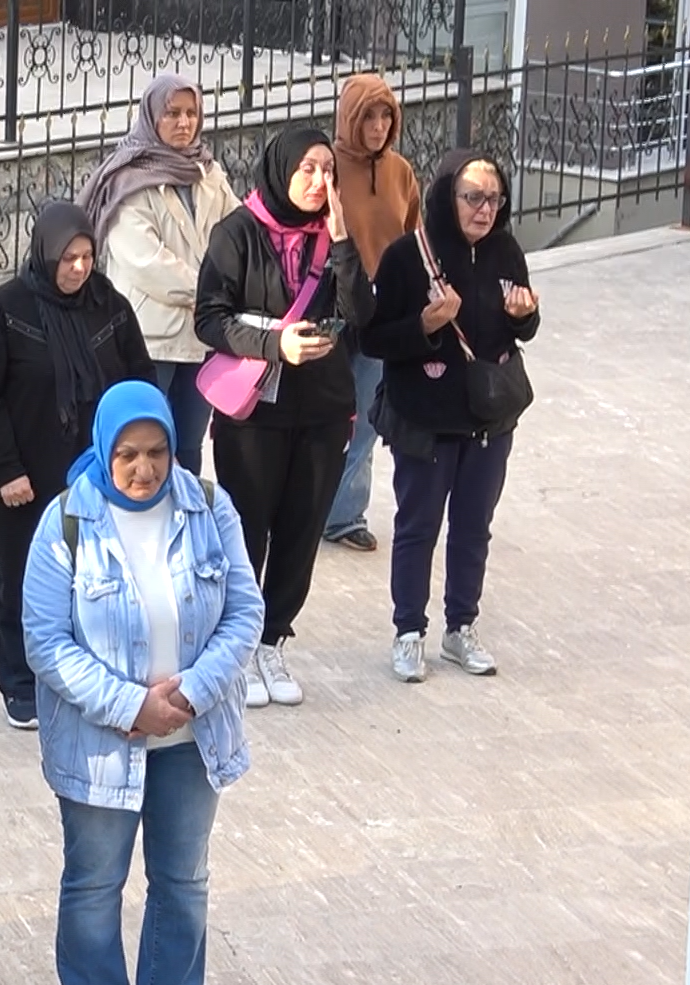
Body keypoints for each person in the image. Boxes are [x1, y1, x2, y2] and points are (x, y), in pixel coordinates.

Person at [19, 382, 261, 985]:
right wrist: (130, 706)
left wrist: (188, 693)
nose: (145, 469)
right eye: (127, 455)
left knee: (183, 879)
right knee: (94, 883)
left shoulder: (209, 508)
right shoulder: (67, 521)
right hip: (102, 743)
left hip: (192, 737)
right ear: (103, 450)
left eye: (157, 452)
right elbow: (45, 640)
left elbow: (245, 612)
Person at [194, 127, 371, 709]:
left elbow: (361, 316)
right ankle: (239, 645)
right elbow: (210, 320)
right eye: (308, 170)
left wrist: (343, 241)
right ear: (282, 170)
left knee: (300, 533)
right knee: (247, 531)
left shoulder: (334, 237)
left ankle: (273, 638)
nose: (321, 183)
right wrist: (275, 345)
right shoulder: (238, 233)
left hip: (321, 412)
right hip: (255, 414)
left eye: (328, 171)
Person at [0, 202, 153, 728]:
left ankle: (83, 674)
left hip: (96, 475)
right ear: (46, 254)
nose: (78, 268)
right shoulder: (8, 309)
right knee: (24, 576)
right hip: (26, 477)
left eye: (87, 256)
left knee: (93, 576)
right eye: (67, 257)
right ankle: (20, 682)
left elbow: (138, 381)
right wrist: (5, 468)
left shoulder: (108, 305)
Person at [364, 149, 538, 682]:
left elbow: (521, 328)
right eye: (473, 197)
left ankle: (461, 628)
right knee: (417, 527)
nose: (485, 209)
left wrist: (526, 316)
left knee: (473, 528)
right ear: (447, 196)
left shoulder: (506, 250)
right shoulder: (406, 256)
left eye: (494, 198)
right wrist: (425, 323)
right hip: (427, 417)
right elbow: (372, 338)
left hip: (490, 418)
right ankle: (408, 631)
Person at [79, 73, 240, 475]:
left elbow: (238, 233)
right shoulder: (129, 179)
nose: (184, 123)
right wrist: (214, 289)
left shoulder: (208, 174)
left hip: (201, 335)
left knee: (188, 446)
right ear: (153, 116)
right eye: (172, 113)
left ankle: (182, 526)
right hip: (149, 339)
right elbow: (146, 261)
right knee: (142, 443)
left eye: (191, 113)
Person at [322, 72, 421, 553]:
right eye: (369, 116)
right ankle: (303, 507)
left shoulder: (401, 172)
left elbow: (414, 237)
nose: (379, 126)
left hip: (383, 314)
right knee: (321, 415)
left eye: (387, 116)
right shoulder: (327, 168)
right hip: (334, 309)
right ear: (350, 118)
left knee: (366, 418)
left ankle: (345, 515)